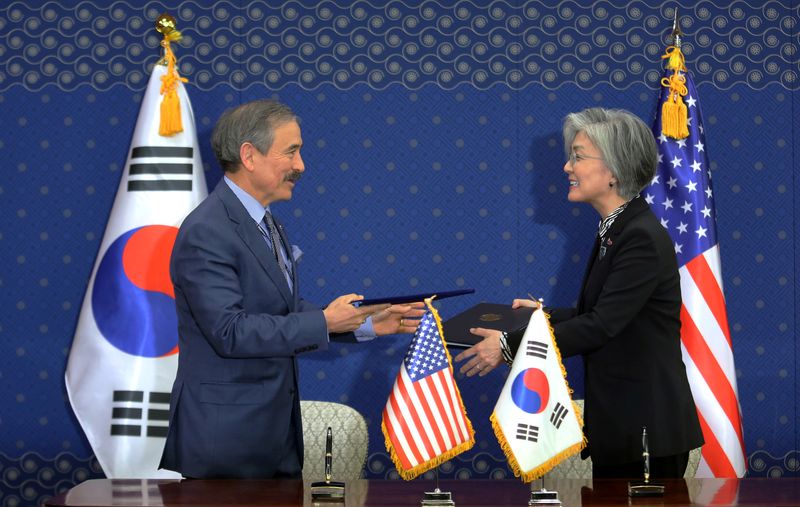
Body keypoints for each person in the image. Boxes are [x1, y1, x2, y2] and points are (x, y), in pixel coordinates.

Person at [159, 99, 423, 479]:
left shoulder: (267, 223)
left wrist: (362, 322)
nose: (301, 166)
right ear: (249, 155)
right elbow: (231, 331)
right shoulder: (208, 230)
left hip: (272, 438)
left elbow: (279, 308)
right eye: (291, 151)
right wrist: (326, 322)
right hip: (226, 444)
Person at [455, 107, 703, 478]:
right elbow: (601, 312)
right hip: (623, 428)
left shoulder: (639, 237)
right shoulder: (618, 229)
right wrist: (540, 317)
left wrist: (508, 345)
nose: (567, 168)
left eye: (578, 157)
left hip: (646, 431)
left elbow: (601, 325)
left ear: (614, 170)